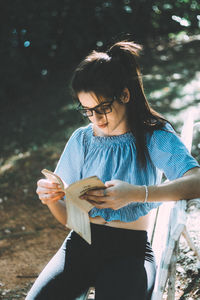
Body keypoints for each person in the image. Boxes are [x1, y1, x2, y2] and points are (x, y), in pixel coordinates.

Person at [26, 40, 200, 300]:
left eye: (103, 108)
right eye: (87, 111)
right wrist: (51, 200)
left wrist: (136, 194)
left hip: (130, 252)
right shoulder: (82, 140)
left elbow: (195, 181)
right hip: (80, 246)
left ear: (125, 95)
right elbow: (70, 220)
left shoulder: (152, 135)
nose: (96, 119)